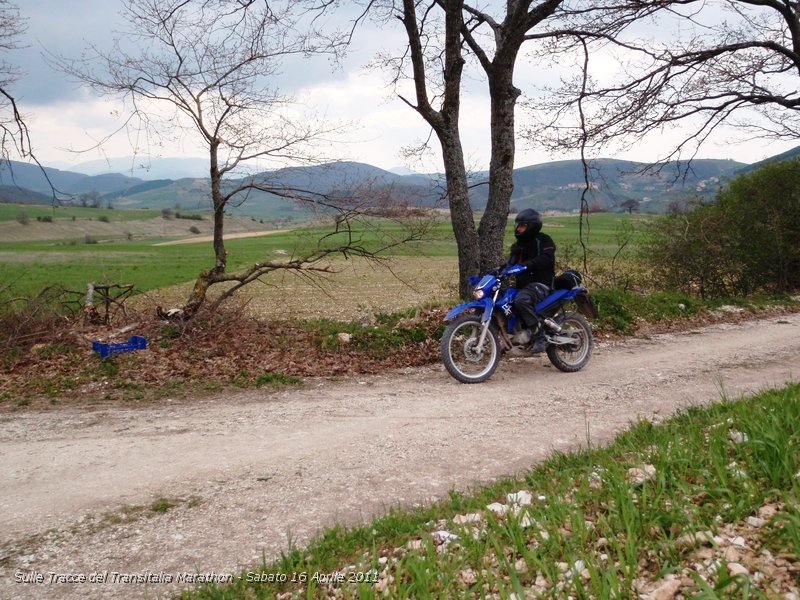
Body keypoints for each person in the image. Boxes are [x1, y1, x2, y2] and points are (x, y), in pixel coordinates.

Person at [507, 208, 556, 345]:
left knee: (521, 300)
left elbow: (547, 258)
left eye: (522, 226)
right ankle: (516, 335)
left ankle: (539, 335)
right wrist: (497, 271)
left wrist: (527, 265)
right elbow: (509, 263)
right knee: (504, 299)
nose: (518, 229)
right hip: (523, 286)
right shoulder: (518, 246)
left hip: (541, 284)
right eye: (517, 225)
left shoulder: (544, 240)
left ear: (531, 226)